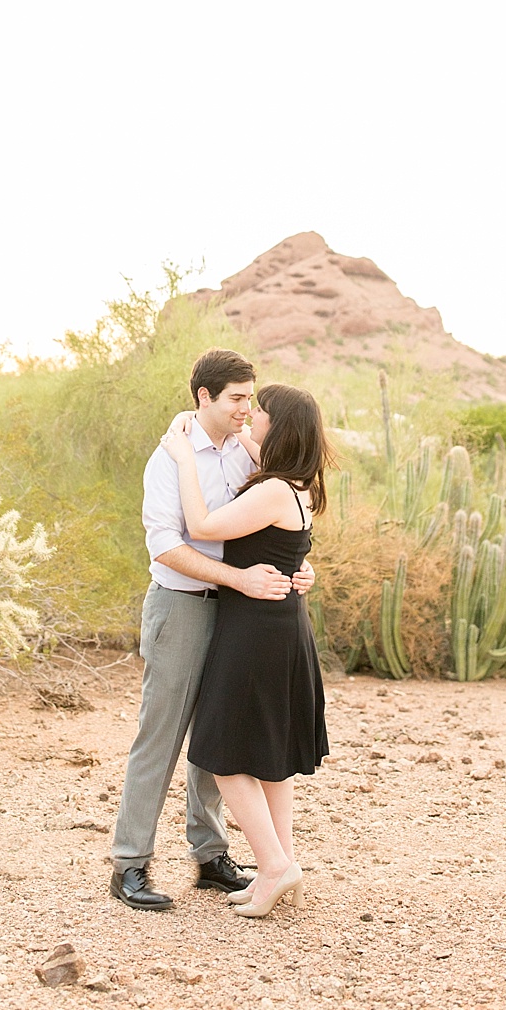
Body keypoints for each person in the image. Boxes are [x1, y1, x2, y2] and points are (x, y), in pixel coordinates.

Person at [108, 350, 314, 913]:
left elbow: (273, 521)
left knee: (216, 738)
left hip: (235, 611)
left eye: (252, 397)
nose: (247, 407)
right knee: (162, 733)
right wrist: (240, 580)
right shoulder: (170, 458)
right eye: (237, 398)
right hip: (181, 605)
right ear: (205, 398)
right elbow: (168, 545)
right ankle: (130, 863)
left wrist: (297, 567)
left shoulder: (246, 454)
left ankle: (210, 856)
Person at [160, 381, 333, 917]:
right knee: (270, 758)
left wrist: (184, 456)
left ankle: (275, 867)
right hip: (281, 626)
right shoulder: (297, 485)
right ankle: (280, 867)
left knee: (221, 752)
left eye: (260, 411)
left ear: (278, 428)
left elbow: (201, 525)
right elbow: (265, 464)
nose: (249, 416)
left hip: (255, 632)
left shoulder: (274, 490)